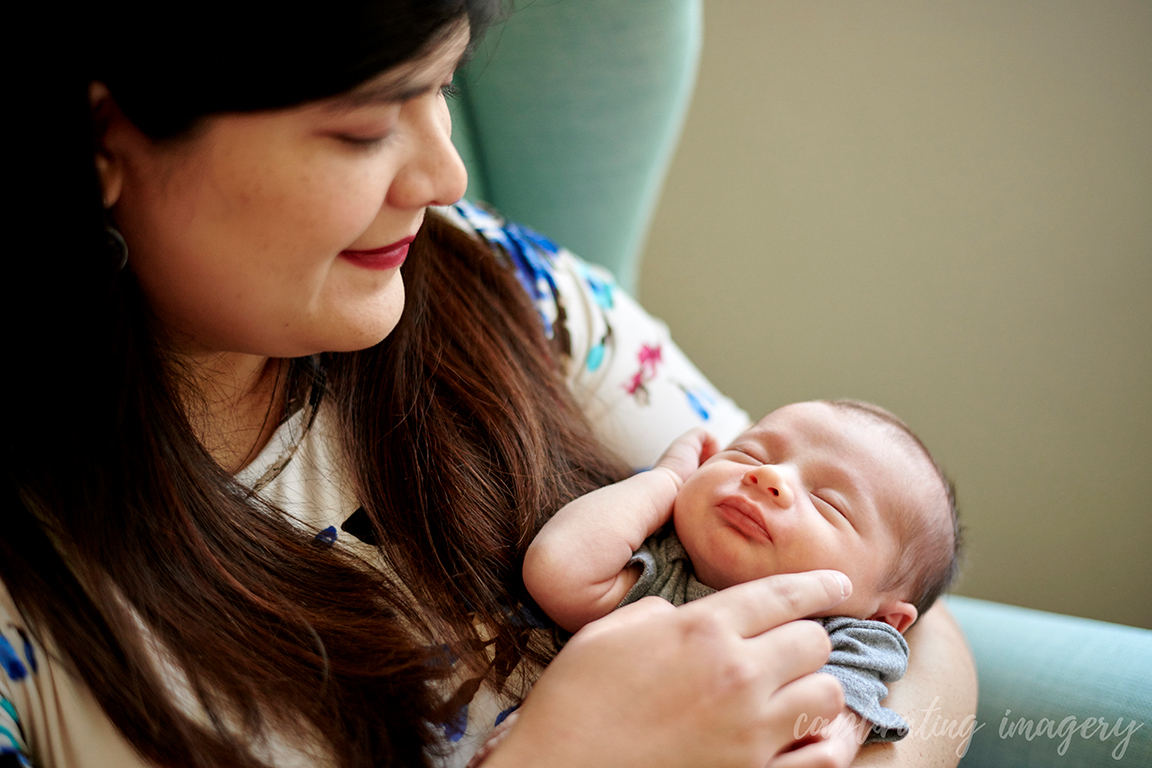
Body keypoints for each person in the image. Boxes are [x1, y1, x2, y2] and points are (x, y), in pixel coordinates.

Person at [2, 2, 975, 767]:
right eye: (361, 130)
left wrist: (858, 745)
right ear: (101, 132)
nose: (447, 175)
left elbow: (913, 614)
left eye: (444, 88)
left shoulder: (504, 286)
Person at [519, 400, 960, 755]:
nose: (769, 475)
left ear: (883, 619)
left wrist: (842, 724)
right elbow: (559, 572)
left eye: (830, 504)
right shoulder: (660, 566)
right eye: (749, 454)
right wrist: (668, 479)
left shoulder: (847, 644)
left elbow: (825, 732)